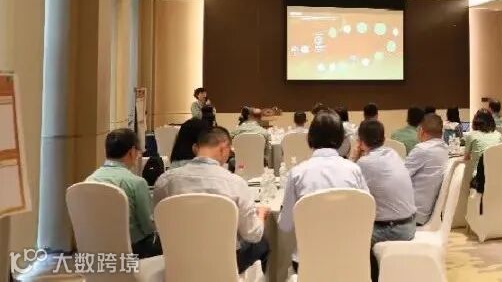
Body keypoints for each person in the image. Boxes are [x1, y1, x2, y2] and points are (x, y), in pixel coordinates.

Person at [153, 127, 270, 274]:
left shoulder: (165, 181)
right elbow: (252, 234)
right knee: (261, 244)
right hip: (224, 262)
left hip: (179, 261)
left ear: (195, 148)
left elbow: (159, 225)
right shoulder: (235, 183)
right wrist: (261, 214)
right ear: (224, 148)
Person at [278, 112, 368, 273]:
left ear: (310, 137)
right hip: (348, 260)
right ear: (341, 138)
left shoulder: (297, 173)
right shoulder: (354, 171)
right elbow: (366, 213)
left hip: (307, 262)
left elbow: (285, 225)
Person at [350, 119, 416, 280]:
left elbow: (350, 190)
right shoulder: (393, 154)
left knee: (351, 237)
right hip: (409, 224)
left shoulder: (364, 163)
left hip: (390, 230)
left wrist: (355, 158)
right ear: (384, 138)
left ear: (360, 142)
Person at [86, 128, 159, 258]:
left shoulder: (89, 181)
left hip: (95, 249)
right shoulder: (136, 183)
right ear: (132, 151)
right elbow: (148, 226)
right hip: (133, 250)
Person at [405, 114, 450, 226]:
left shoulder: (422, 150)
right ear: (441, 132)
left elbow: (400, 178)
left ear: (421, 131)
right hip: (427, 212)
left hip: (411, 214)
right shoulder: (445, 149)